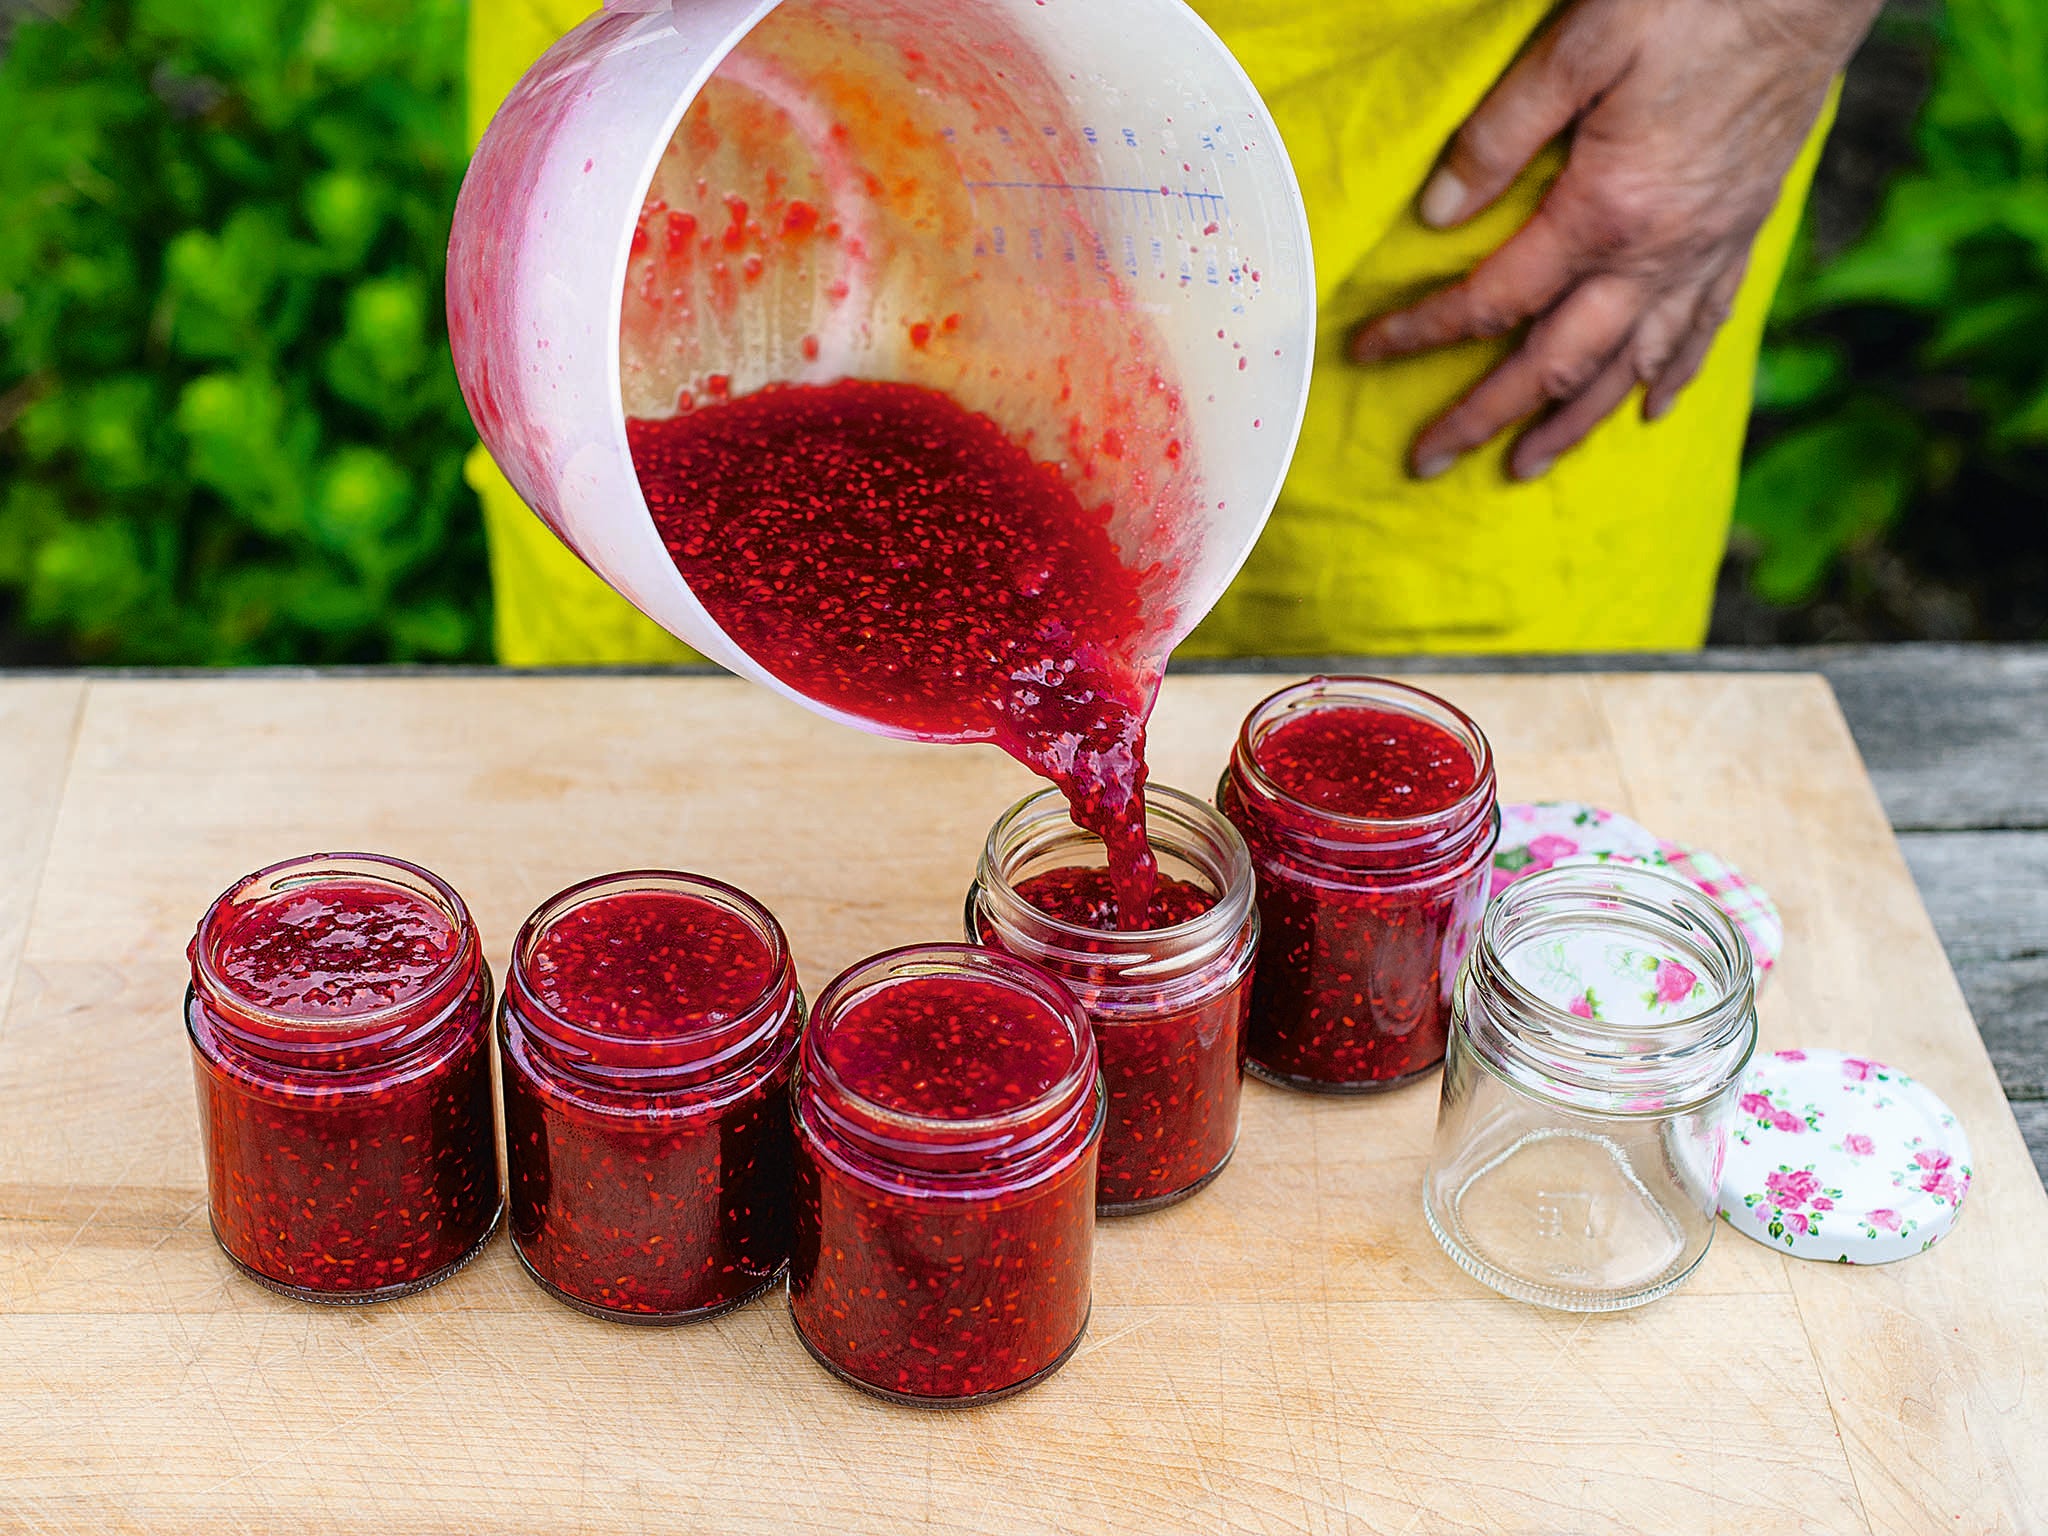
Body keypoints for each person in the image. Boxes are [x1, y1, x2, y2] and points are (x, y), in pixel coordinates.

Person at [466, 0, 1880, 663]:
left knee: (1437, 860)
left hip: (1449, 119)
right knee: (683, 830)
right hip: (711, 106)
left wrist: (1769, 18)